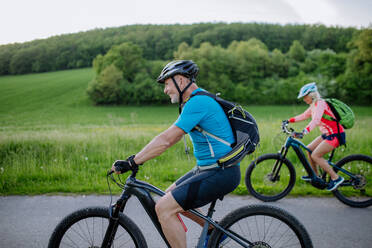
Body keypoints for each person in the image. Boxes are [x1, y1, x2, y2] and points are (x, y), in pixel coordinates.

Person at [111, 60, 240, 248]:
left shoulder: (198, 102)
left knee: (164, 208)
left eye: (166, 84)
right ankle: (214, 232)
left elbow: (166, 140)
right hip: (210, 168)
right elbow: (172, 137)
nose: (165, 90)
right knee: (169, 196)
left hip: (220, 172)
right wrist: (137, 159)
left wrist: (133, 161)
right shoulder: (194, 100)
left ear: (180, 80)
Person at [287, 82, 345, 191]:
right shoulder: (313, 105)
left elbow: (316, 120)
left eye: (305, 97)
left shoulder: (320, 103)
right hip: (327, 134)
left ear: (311, 95)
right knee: (309, 150)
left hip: (335, 134)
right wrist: (289, 120)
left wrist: (304, 132)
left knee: (316, 156)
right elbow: (304, 115)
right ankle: (315, 176)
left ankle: (336, 178)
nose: (304, 99)